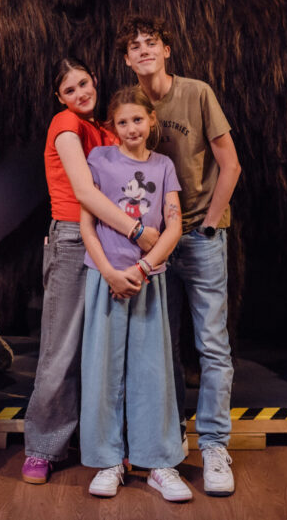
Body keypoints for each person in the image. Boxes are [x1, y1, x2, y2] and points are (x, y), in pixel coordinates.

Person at [116, 15, 242, 496]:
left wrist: (208, 223)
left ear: (166, 50)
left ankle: (214, 445)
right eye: (135, 46)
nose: (144, 50)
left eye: (151, 42)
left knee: (212, 344)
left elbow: (230, 164)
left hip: (200, 236)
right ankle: (168, 442)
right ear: (127, 59)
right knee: (160, 347)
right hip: (152, 243)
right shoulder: (129, 105)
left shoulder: (197, 93)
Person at [22, 57, 161, 484]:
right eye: (70, 90)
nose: (80, 93)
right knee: (61, 347)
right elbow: (83, 191)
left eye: (84, 83)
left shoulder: (105, 129)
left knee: (107, 350)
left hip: (111, 240)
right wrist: (138, 231)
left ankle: (106, 445)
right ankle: (43, 448)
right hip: (73, 237)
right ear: (59, 97)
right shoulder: (66, 123)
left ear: (95, 80)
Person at [79, 85, 189, 502]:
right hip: (105, 279)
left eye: (138, 120)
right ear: (113, 127)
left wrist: (144, 268)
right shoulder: (99, 159)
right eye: (122, 122)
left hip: (148, 280)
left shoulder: (163, 166)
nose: (131, 128)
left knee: (152, 371)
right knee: (103, 371)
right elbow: (87, 224)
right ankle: (108, 461)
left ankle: (158, 462)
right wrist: (109, 272)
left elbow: (174, 225)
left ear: (151, 120)